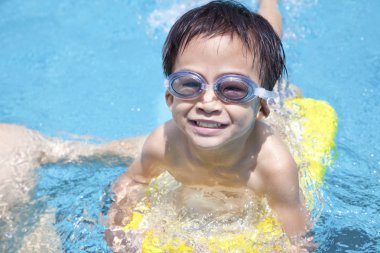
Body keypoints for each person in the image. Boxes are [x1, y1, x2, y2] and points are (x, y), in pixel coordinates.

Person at [105, 0, 312, 251]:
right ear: (170, 99)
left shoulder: (274, 166)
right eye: (190, 84)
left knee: (272, 51)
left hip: (273, 112)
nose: (208, 102)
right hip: (245, 110)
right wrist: (118, 233)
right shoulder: (163, 144)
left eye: (234, 88)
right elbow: (133, 181)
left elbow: (299, 240)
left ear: (261, 107)